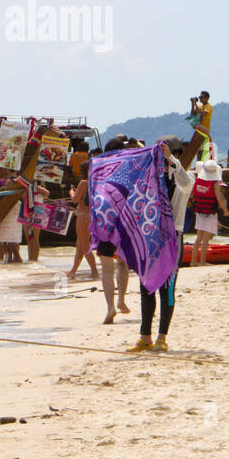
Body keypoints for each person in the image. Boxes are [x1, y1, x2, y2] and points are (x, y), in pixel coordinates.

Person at [129, 141, 191, 352]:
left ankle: (162, 336)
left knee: (168, 289)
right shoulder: (150, 181)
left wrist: (171, 160)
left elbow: (185, 182)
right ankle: (145, 336)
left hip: (174, 236)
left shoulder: (184, 178)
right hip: (151, 236)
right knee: (146, 287)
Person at [95, 136, 132, 323]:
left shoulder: (97, 169)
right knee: (123, 264)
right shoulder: (126, 168)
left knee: (107, 268)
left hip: (103, 221)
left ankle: (110, 308)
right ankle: (121, 301)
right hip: (123, 221)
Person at [188, 157, 229, 267]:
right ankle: (202, 262)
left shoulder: (197, 181)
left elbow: (192, 194)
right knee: (206, 238)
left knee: (198, 238)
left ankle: (193, 261)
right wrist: (225, 210)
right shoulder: (214, 184)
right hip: (210, 212)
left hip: (200, 212)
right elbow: (219, 198)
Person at [66, 161, 98, 280]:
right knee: (80, 244)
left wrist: (71, 191)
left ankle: (94, 272)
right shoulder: (96, 182)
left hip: (83, 216)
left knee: (84, 245)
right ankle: (73, 271)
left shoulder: (84, 182)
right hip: (91, 216)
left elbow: (74, 199)